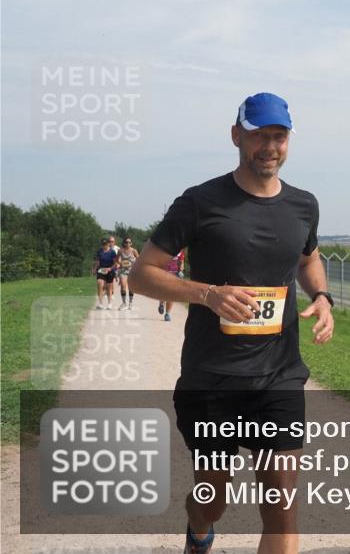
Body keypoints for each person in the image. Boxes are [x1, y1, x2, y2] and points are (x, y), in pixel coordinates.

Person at [130, 92, 335, 554]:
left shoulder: (304, 205)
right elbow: (141, 274)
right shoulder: (200, 202)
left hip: (278, 376)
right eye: (259, 135)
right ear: (236, 136)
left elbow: (309, 258)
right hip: (213, 380)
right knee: (212, 499)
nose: (269, 146)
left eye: (279, 136)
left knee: (282, 504)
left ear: (289, 141)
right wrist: (208, 294)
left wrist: (321, 296)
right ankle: (199, 528)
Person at [158, 249, 185, 322]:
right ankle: (161, 303)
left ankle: (167, 313)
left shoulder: (180, 252)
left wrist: (181, 271)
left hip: (174, 274)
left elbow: (181, 262)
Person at [92, 237, 118, 310]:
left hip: (109, 271)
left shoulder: (112, 252)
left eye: (106, 244)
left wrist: (110, 268)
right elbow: (97, 261)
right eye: (103, 244)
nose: (104, 246)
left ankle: (109, 303)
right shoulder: (99, 251)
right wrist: (94, 269)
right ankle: (100, 304)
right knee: (99, 283)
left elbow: (115, 262)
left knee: (109, 287)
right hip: (101, 270)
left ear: (108, 244)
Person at [116, 237, 139, 310]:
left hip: (132, 270)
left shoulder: (134, 250)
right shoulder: (120, 251)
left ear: (131, 243)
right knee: (123, 286)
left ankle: (130, 302)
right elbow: (116, 259)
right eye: (126, 242)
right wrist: (120, 263)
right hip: (123, 270)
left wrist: (133, 264)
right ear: (124, 243)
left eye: (129, 242)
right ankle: (124, 303)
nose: (127, 244)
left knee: (131, 287)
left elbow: (139, 259)